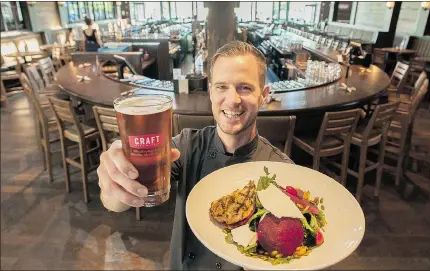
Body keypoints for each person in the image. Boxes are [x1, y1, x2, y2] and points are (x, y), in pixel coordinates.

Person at [98, 41, 294, 270]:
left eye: (245, 88)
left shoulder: (281, 169)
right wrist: (115, 179)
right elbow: (115, 203)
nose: (232, 100)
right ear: (210, 91)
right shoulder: (187, 146)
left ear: (264, 95)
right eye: (222, 87)